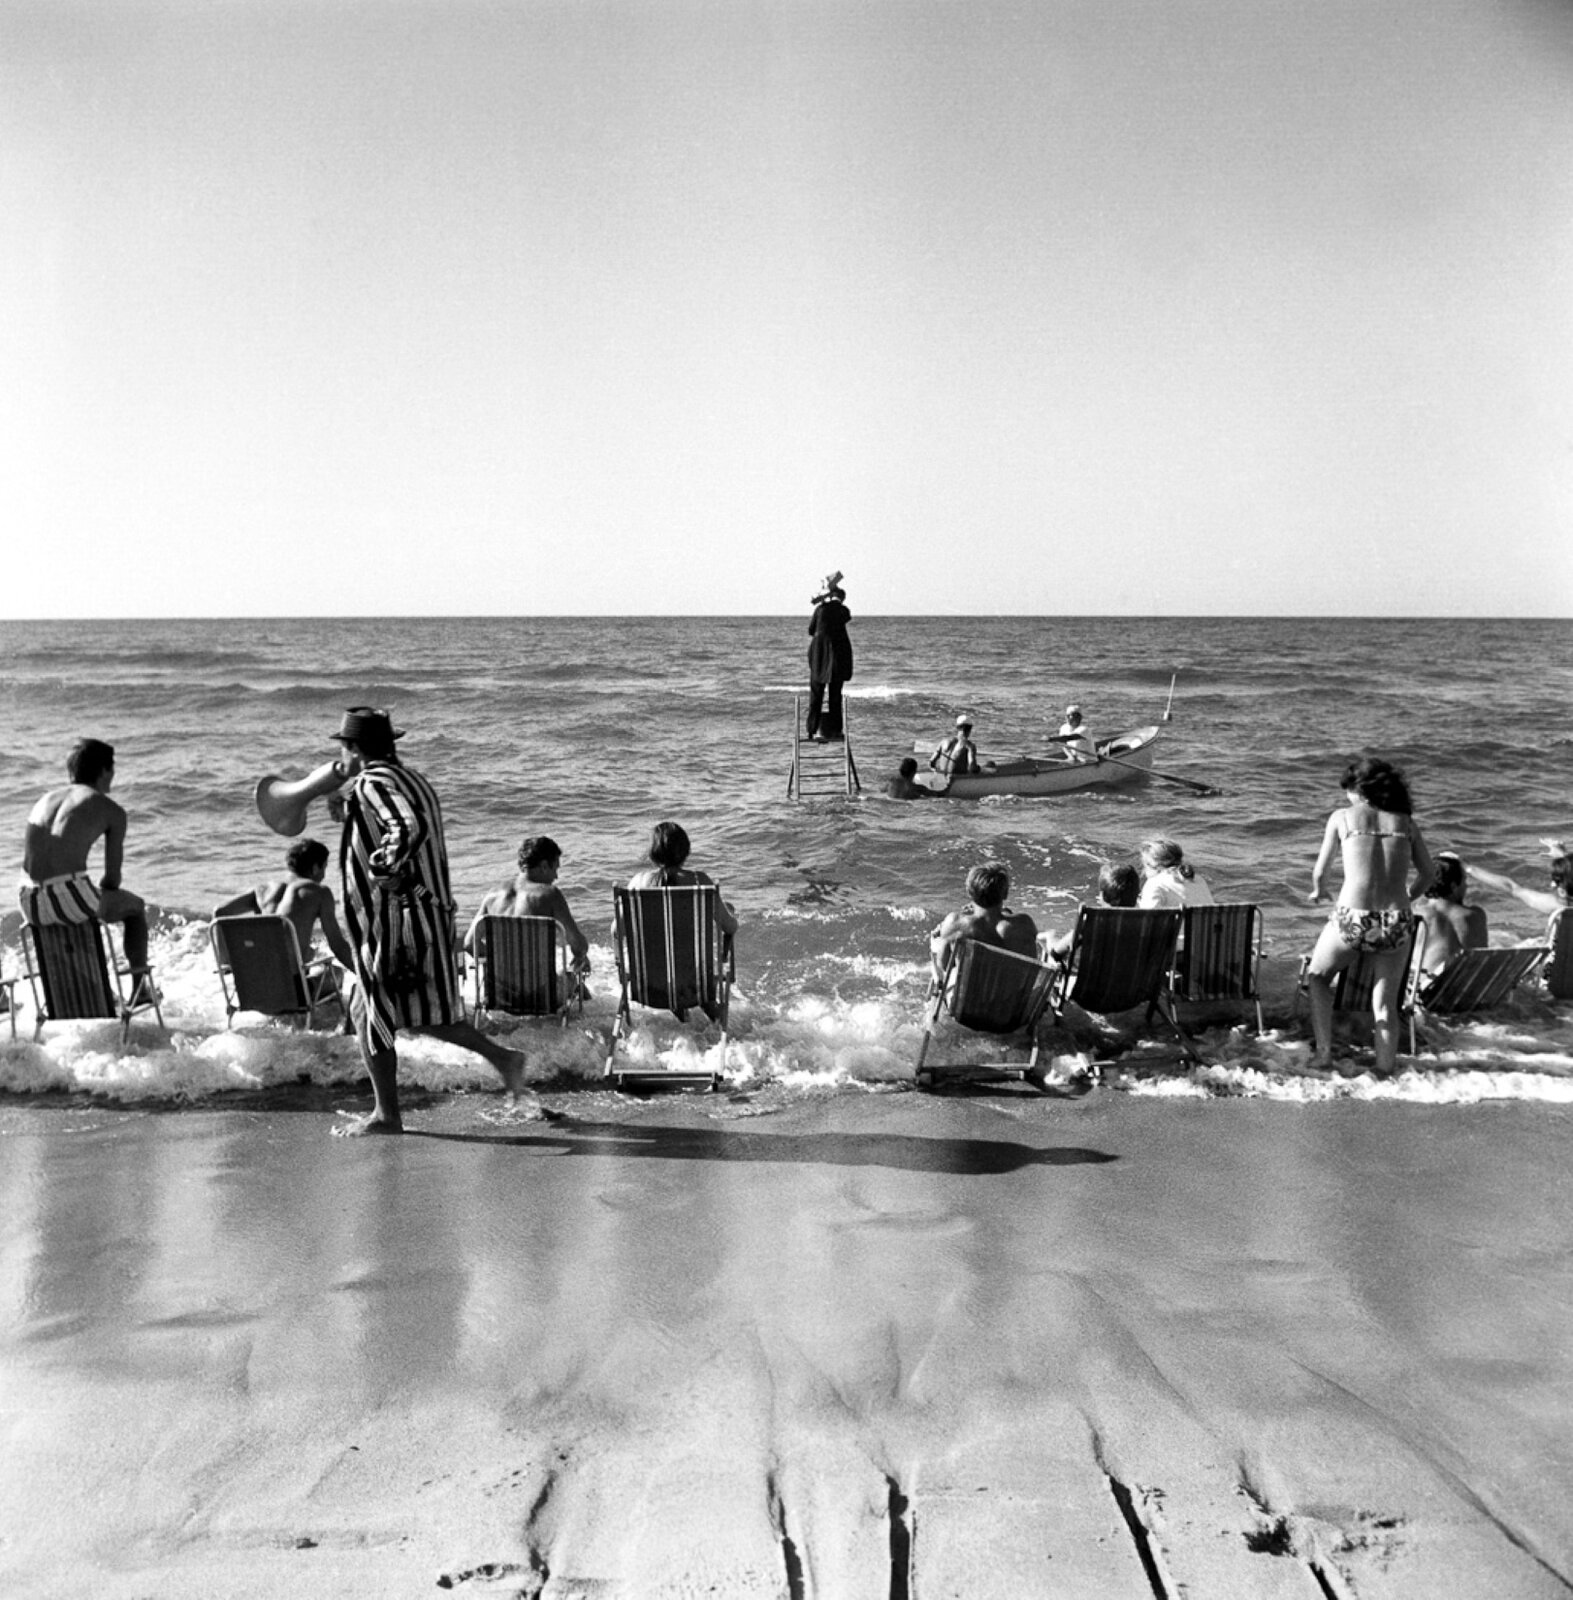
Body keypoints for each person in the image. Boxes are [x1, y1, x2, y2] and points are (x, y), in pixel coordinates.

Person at [326, 706, 542, 1136]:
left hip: (395, 923)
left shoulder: (373, 782)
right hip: (424, 916)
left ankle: (389, 1114)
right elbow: (405, 817)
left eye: (344, 749)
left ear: (354, 750)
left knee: (381, 1010)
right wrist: (347, 806)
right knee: (395, 1010)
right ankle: (498, 1061)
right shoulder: (411, 780)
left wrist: (384, 870)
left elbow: (406, 827)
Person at [1305, 756, 1435, 1075]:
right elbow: (1428, 874)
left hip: (1354, 917)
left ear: (1360, 790)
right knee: (1385, 1004)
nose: (1346, 796)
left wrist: (1319, 891)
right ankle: (1385, 1069)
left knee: (1318, 977)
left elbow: (1320, 872)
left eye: (1348, 790)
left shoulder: (1342, 818)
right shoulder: (1406, 823)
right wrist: (1407, 898)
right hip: (1397, 920)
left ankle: (1323, 1055)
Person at [19, 737, 151, 987]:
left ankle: (71, 989)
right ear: (104, 770)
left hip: (29, 900)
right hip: (71, 898)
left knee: (79, 903)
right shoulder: (110, 810)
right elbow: (113, 878)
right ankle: (140, 988)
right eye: (112, 768)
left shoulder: (45, 800)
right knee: (134, 908)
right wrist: (106, 891)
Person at [467, 834, 591, 974]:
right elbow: (579, 947)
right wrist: (581, 955)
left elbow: (470, 944)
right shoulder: (550, 894)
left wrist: (499, 965)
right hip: (543, 992)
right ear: (544, 866)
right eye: (555, 869)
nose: (556, 877)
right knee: (578, 966)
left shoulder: (492, 895)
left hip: (500, 992)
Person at [256, 838, 357, 1006]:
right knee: (335, 973)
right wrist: (365, 976)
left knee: (308, 954)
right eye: (324, 868)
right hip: (293, 993)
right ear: (316, 868)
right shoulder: (318, 892)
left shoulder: (263, 890)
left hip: (254, 989)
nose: (323, 875)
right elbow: (337, 945)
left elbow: (220, 912)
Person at [627, 820, 739, 936]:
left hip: (649, 954)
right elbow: (729, 927)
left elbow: (616, 930)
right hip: (693, 954)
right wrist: (732, 916)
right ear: (685, 850)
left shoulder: (638, 882)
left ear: (652, 853)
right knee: (729, 908)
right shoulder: (700, 881)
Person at [930, 863, 1039, 978]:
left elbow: (944, 966)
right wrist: (1005, 914)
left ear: (969, 892)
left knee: (937, 942)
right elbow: (1032, 964)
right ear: (1005, 894)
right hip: (1014, 995)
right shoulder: (1024, 923)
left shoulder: (955, 923)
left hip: (970, 995)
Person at [1411, 851, 1489, 982]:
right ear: (1453, 886)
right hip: (1465, 988)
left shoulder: (1417, 915)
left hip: (1425, 989)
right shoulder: (1475, 915)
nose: (1466, 886)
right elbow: (1481, 964)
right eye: (1464, 881)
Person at [1043, 862, 1141, 962]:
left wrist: (1050, 937)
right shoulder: (1145, 923)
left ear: (1102, 895)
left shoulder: (1093, 921)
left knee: (1051, 948)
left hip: (1093, 977)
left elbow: (1056, 953)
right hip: (1133, 976)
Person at [805, 573, 853, 742]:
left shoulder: (820, 609)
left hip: (819, 659)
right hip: (836, 662)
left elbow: (811, 630)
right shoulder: (842, 610)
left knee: (815, 697)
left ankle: (811, 730)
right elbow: (846, 616)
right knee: (835, 697)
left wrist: (825, 601)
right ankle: (835, 729)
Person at [1137, 838, 1216, 909]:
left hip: (1177, 925)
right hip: (1205, 924)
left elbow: (1149, 919)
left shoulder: (1154, 883)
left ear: (1150, 865)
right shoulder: (1199, 879)